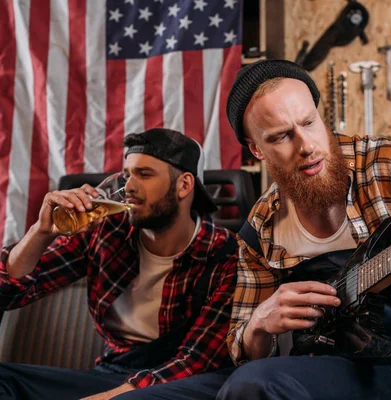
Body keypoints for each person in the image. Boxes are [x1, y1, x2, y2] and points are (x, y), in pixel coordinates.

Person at [114, 60, 391, 400]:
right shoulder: (261, 224)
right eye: (281, 136)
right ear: (257, 149)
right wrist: (261, 322)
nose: (306, 145)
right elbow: (243, 348)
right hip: (311, 364)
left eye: (310, 122)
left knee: (257, 386)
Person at [0, 128, 238, 400]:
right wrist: (40, 232)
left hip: (181, 383)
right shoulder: (105, 232)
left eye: (144, 175)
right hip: (113, 373)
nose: (129, 188)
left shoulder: (226, 255)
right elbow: (9, 290)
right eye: (127, 175)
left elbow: (197, 360)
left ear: (184, 185)